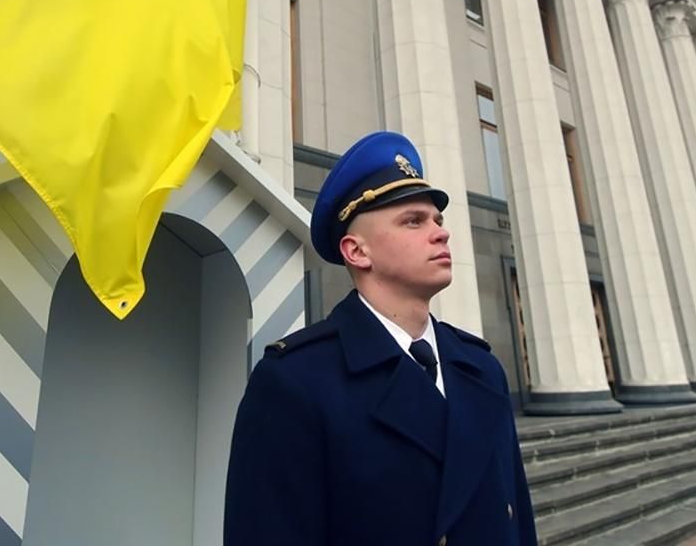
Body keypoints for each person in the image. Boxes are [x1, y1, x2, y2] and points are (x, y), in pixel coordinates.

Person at [224, 131, 536, 546]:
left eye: (438, 221)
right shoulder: (295, 383)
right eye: (413, 221)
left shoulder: (482, 368)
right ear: (357, 252)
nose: (441, 233)